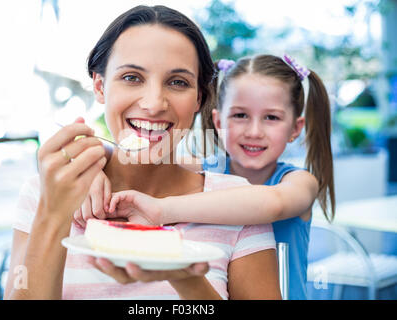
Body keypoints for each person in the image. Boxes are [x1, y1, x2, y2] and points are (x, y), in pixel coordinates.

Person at [4, 5, 281, 300]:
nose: (153, 104)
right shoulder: (44, 193)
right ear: (99, 86)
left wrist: (185, 277)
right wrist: (54, 212)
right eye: (132, 77)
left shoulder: (239, 205)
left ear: (199, 98)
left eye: (178, 82)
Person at [84, 54, 336, 300]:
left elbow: (272, 204)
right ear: (217, 121)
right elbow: (129, 158)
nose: (254, 131)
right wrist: (91, 166)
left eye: (271, 117)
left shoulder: (299, 182)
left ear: (295, 128)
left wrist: (162, 210)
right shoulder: (208, 170)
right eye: (240, 115)